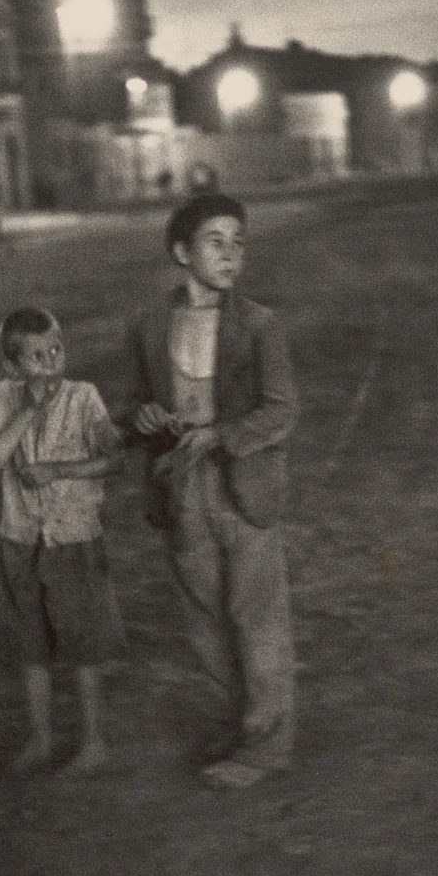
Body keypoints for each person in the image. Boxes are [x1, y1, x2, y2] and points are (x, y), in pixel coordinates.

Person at [123, 193, 299, 789]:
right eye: (214, 242)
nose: (230, 255)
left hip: (243, 488)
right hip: (180, 490)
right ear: (182, 253)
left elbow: (282, 410)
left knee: (256, 617)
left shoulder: (260, 325)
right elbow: (132, 407)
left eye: (238, 243)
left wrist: (222, 435)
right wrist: (143, 418)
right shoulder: (149, 325)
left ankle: (267, 749)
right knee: (204, 622)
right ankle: (241, 727)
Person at [0, 306, 124, 774]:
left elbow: (115, 458)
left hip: (74, 539)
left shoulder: (84, 397)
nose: (52, 362)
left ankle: (94, 743)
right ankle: (41, 740)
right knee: (31, 645)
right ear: (13, 366)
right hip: (21, 539)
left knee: (83, 643)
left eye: (57, 350)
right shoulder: (6, 396)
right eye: (37, 356)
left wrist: (59, 470)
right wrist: (29, 409)